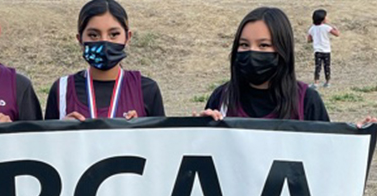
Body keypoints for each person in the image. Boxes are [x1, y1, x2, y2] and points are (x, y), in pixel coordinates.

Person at [199, 7, 346, 124]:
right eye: (244, 44)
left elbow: (327, 153)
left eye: (264, 45)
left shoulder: (306, 100)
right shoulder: (222, 98)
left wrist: (361, 135)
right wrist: (201, 127)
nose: (252, 52)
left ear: (283, 50)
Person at [46, 0, 164, 120]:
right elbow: (44, 138)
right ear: (80, 39)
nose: (104, 41)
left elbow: (162, 138)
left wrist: (140, 131)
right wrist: (61, 132)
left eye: (113, 34)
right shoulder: (62, 90)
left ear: (127, 37)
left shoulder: (147, 90)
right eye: (93, 35)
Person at [308, 9, 339, 87]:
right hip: (326, 50)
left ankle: (316, 82)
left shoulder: (312, 28)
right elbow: (337, 34)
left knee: (317, 67)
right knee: (327, 66)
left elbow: (309, 40)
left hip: (317, 51)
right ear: (323, 19)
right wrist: (335, 28)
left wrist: (314, 38)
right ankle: (327, 82)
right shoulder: (326, 27)